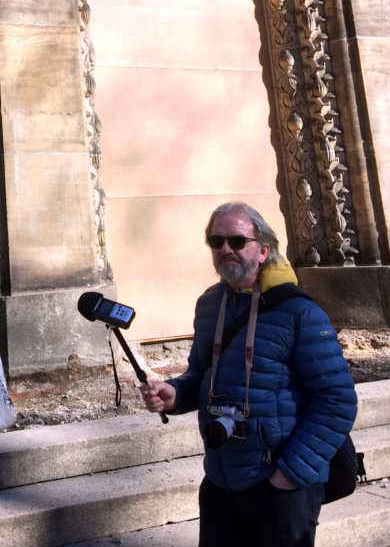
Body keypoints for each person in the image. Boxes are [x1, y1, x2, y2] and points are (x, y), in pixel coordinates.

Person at [141, 202, 357, 547]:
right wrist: (175, 394)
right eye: (216, 241)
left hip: (282, 483)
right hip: (222, 478)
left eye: (237, 241)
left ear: (263, 250)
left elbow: (338, 401)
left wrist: (289, 476)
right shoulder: (210, 304)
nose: (225, 249)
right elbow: (200, 374)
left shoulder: (300, 312)